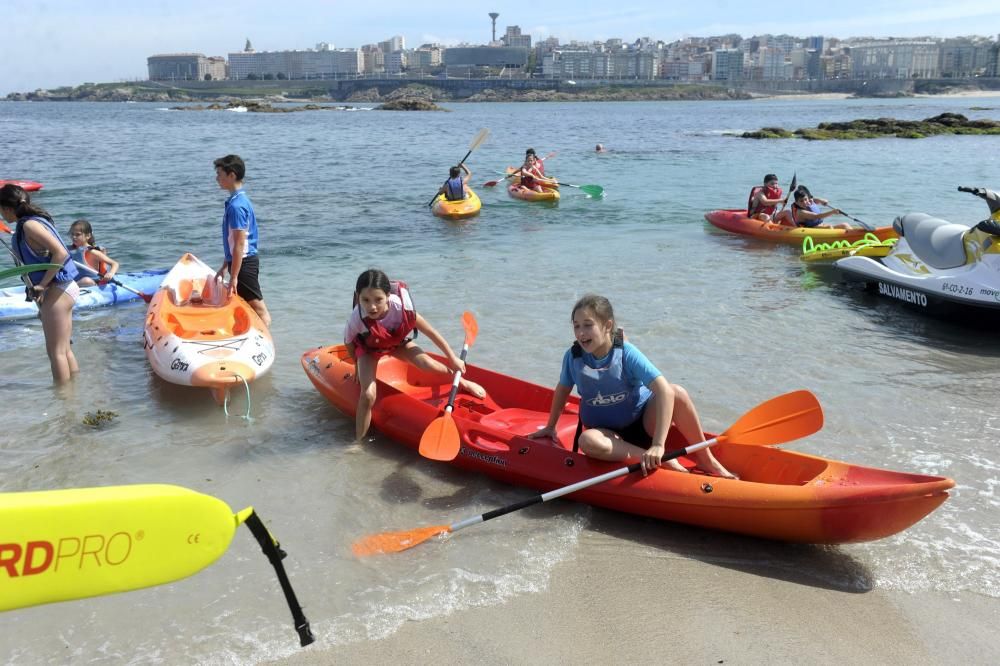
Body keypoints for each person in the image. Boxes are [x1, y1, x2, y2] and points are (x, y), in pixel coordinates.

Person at [527, 294, 736, 478]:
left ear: (607, 326)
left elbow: (662, 389)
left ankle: (705, 458)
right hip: (607, 436)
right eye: (576, 326)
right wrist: (551, 427)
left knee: (677, 392)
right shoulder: (573, 357)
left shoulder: (626, 352)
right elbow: (563, 390)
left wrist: (658, 444)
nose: (581, 333)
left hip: (644, 424)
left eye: (588, 325)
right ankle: (657, 460)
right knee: (587, 441)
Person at [344, 269, 485, 445]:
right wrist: (357, 367)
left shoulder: (401, 308)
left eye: (378, 300)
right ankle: (358, 443)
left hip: (396, 344)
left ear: (388, 295)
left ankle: (462, 382)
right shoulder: (356, 318)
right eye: (366, 300)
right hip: (369, 350)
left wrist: (452, 358)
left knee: (426, 362)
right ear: (358, 297)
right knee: (368, 395)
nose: (372, 306)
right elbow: (349, 343)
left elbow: (431, 332)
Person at [0, 184, 80, 383]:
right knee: (64, 349)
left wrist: (43, 285)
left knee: (56, 353)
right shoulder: (30, 223)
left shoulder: (29, 225)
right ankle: (76, 396)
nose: (1, 215)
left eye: (0, 210)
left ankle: (64, 403)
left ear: (8, 208)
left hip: (58, 289)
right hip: (63, 289)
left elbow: (61, 253)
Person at [214, 154, 271, 328]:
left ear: (232, 175)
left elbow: (240, 244)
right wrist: (226, 265)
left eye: (220, 174)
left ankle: (265, 343)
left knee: (259, 309)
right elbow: (234, 241)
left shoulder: (237, 206)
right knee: (249, 307)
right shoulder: (236, 201)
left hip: (244, 263)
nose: (217, 178)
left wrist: (235, 276)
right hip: (240, 262)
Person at [67, 219, 119, 286]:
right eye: (72, 234)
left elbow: (115, 263)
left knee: (86, 281)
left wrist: (110, 273)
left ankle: (68, 289)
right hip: (74, 281)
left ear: (88, 236)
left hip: (92, 283)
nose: (74, 237)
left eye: (78, 235)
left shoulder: (92, 252)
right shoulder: (67, 249)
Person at [777, 188, 852, 229]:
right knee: (829, 227)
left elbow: (815, 200)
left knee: (845, 225)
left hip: (819, 225)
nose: (805, 202)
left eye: (805, 199)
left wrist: (822, 200)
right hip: (810, 229)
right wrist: (832, 212)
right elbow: (817, 216)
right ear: (796, 202)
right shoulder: (801, 212)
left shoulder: (808, 202)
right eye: (801, 201)